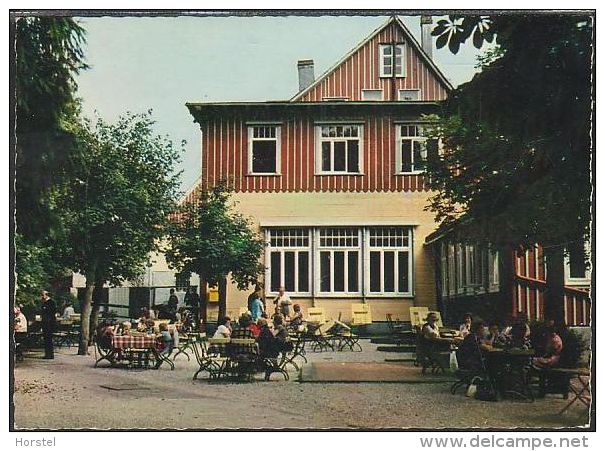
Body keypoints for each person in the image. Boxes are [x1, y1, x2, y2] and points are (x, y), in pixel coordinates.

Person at [40, 290, 56, 359]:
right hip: (45, 323)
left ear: (46, 295)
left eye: (43, 295)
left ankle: (50, 354)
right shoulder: (44, 303)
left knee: (48, 339)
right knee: (46, 339)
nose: (42, 297)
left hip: (49, 324)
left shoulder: (51, 303)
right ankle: (47, 354)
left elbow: (51, 313)